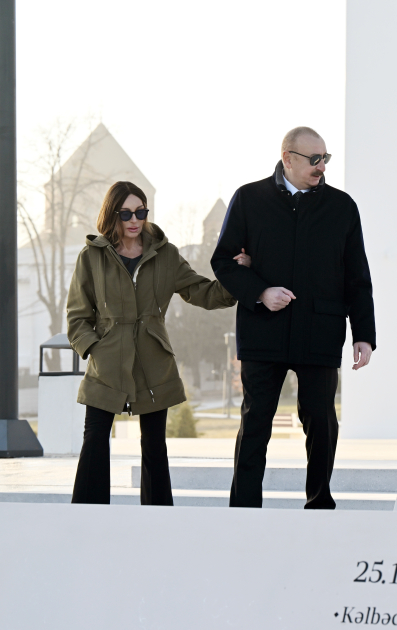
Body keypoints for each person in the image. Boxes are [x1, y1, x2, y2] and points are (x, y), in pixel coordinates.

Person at [211, 126, 376, 509]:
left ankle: (319, 505)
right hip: (262, 331)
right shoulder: (249, 199)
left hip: (320, 330)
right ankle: (244, 511)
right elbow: (223, 262)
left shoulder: (342, 207)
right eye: (314, 159)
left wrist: (363, 334)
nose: (321, 166)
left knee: (321, 421)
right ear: (287, 158)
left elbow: (357, 276)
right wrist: (261, 292)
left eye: (325, 158)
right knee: (255, 422)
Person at [66, 181, 251, 505]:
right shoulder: (91, 256)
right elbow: (77, 315)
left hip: (154, 361)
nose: (134, 220)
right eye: (126, 213)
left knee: (154, 444)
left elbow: (202, 291)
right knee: (94, 439)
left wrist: (237, 277)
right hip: (106, 364)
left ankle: (158, 518)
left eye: (141, 212)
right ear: (112, 214)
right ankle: (86, 517)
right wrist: (94, 349)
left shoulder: (166, 255)